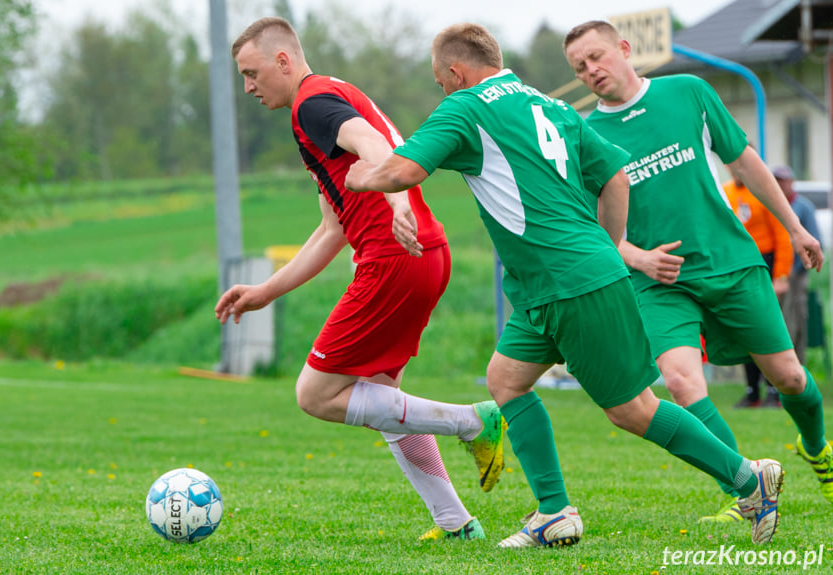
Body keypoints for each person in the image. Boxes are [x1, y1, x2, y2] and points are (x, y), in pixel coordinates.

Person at [346, 22, 784, 548]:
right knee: (506, 379)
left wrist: (360, 176)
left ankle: (747, 478)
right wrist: (610, 244)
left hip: (570, 282)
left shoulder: (466, 107)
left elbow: (402, 172)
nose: (443, 91)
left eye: (442, 82)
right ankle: (554, 513)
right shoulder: (550, 105)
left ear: (457, 72)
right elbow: (616, 176)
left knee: (632, 409)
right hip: (547, 286)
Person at [217, 17, 506, 541]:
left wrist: (397, 204)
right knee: (380, 395)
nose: (248, 87)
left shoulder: (313, 103)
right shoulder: (330, 98)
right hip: (421, 254)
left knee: (317, 394)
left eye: (251, 73)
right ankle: (455, 522)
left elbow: (375, 146)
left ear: (284, 61)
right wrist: (264, 291)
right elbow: (332, 230)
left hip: (396, 255)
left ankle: (473, 421)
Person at [563, 20, 832, 521]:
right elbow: (592, 229)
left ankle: (818, 449)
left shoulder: (687, 92)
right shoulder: (585, 135)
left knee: (790, 378)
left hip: (730, 263)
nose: (590, 70)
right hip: (657, 282)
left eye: (597, 57)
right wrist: (638, 257)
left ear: (624, 49)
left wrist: (795, 228)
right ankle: (748, 490)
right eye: (579, 67)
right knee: (683, 383)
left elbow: (746, 163)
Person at [724, 167, 793, 409]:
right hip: (740, 264)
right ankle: (752, 391)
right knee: (746, 331)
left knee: (769, 329)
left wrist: (781, 276)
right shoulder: (725, 193)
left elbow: (783, 236)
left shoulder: (764, 191)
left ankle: (775, 391)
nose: (736, 171)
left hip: (766, 263)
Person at [774, 164, 824, 365]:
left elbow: (815, 240)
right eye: (777, 180)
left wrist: (797, 270)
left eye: (784, 180)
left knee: (795, 323)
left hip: (795, 274)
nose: (781, 184)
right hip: (775, 274)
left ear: (791, 182)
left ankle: (797, 369)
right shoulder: (771, 204)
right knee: (777, 324)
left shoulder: (803, 207)